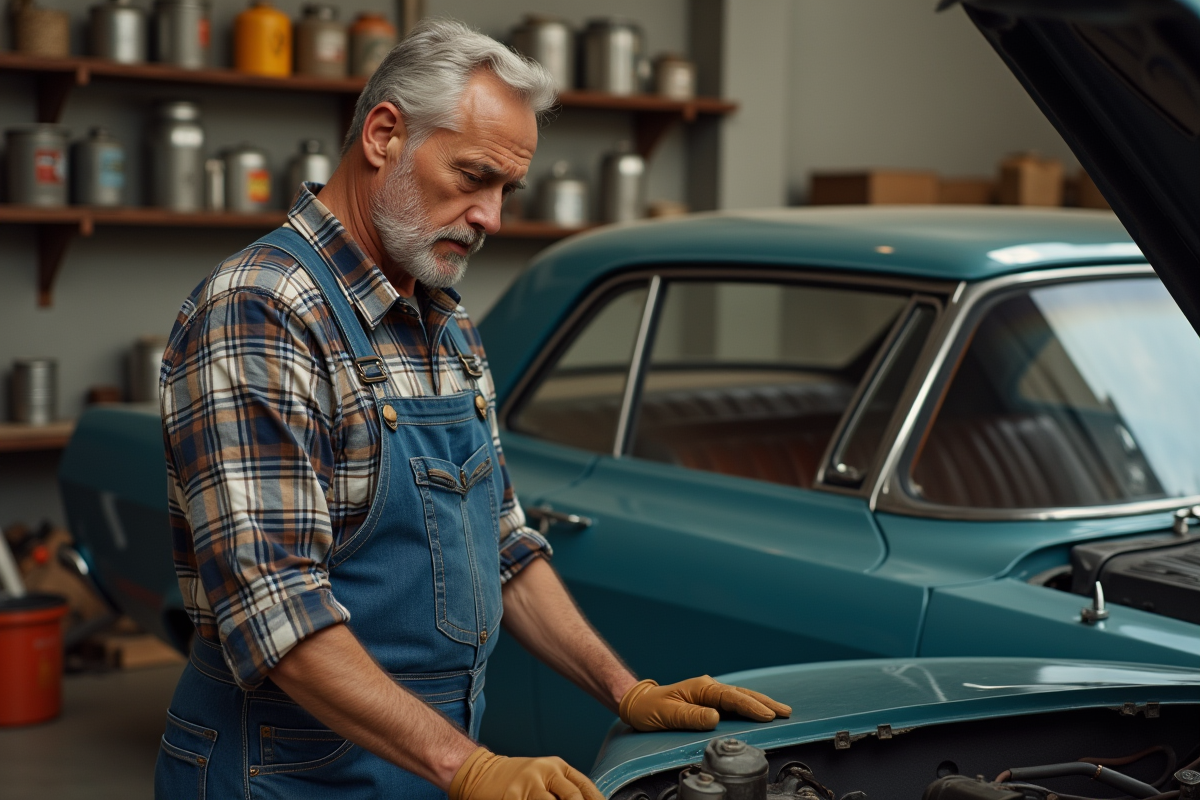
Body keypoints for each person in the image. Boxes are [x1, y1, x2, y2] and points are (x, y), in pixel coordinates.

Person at [154, 18, 791, 800]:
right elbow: (274, 612)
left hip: (420, 759)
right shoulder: (263, 310)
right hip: (287, 771)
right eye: (473, 176)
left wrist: (626, 690)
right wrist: (471, 767)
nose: (492, 216)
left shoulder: (444, 322)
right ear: (385, 134)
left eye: (505, 189)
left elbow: (504, 544)